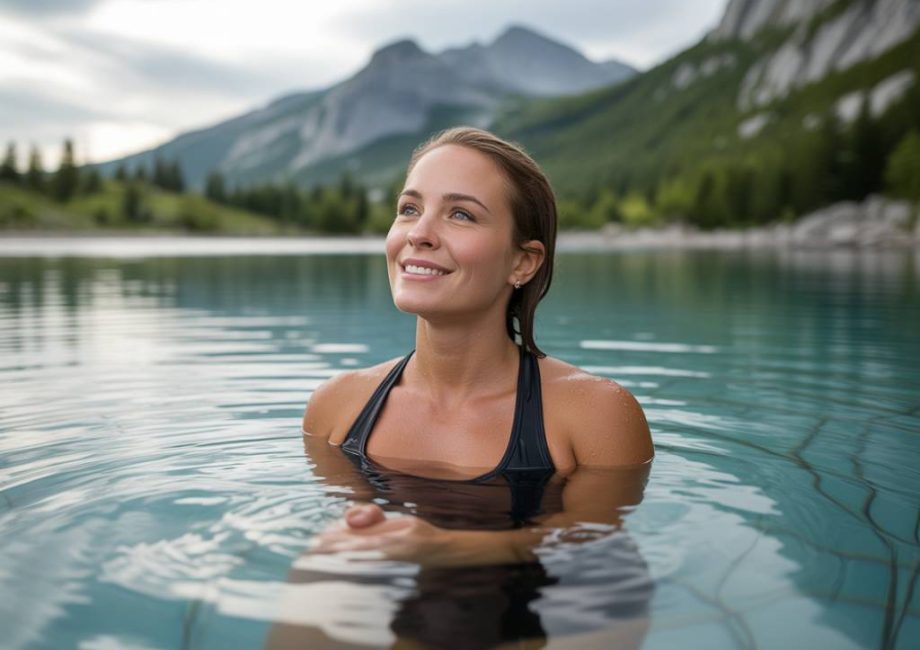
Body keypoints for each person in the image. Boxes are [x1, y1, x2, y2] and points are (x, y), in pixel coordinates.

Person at [301, 126, 654, 568]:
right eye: (409, 209)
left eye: (461, 215)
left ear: (523, 262)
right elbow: (349, 553)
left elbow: (594, 555)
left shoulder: (593, 415)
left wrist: (445, 548)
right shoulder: (336, 408)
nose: (419, 233)